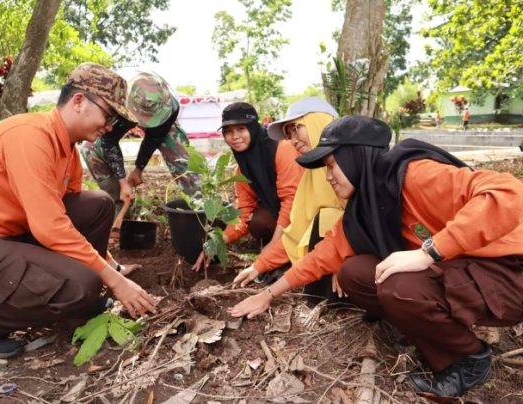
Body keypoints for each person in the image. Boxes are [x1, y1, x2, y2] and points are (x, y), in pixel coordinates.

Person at [229, 115, 523, 397]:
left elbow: (509, 192)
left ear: (355, 157)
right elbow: (322, 256)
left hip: (508, 271)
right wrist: (267, 294)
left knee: (399, 287)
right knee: (355, 273)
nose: (329, 177)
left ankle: (470, 358)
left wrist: (430, 251)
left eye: (332, 165)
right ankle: (431, 332)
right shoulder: (365, 206)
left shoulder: (416, 175)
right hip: (462, 270)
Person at [0, 62, 157, 359]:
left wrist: (111, 267)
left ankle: (77, 296)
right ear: (79, 101)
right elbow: (50, 228)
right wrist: (112, 280)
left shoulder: (67, 150)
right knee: (83, 286)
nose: (108, 127)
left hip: (8, 235)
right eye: (109, 115)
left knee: (99, 205)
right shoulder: (29, 136)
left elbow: (69, 219)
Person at [232, 97, 346, 302]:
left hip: (370, 258)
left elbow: (366, 223)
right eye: (288, 133)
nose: (292, 139)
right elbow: (296, 233)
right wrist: (258, 266)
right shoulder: (312, 174)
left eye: (296, 128)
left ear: (318, 122)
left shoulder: (353, 165)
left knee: (327, 218)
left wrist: (346, 256)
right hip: (330, 255)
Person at [192, 102, 303, 271]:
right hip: (280, 213)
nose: (235, 136)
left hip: (304, 212)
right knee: (258, 222)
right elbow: (244, 211)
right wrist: (218, 242)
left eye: (241, 129)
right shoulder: (241, 167)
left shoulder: (281, 148)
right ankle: (280, 248)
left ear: (253, 128)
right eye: (228, 131)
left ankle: (287, 249)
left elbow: (291, 200)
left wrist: (274, 246)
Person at [80, 71, 199, 220]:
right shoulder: (115, 100)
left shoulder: (170, 106)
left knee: (179, 150)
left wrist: (139, 168)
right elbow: (108, 141)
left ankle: (200, 206)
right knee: (90, 148)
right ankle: (122, 206)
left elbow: (155, 137)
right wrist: (123, 182)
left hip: (159, 123)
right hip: (122, 115)